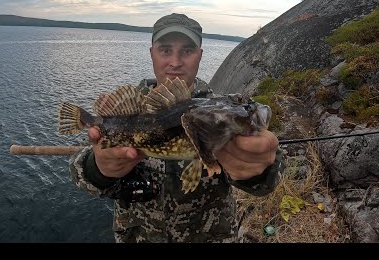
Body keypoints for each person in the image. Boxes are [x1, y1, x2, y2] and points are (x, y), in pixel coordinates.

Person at [69, 13, 284, 243]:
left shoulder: (218, 110)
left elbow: (268, 180)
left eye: (187, 51)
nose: (175, 62)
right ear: (151, 53)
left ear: (200, 56)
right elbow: (79, 172)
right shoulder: (132, 113)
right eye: (165, 50)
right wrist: (98, 168)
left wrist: (259, 170)